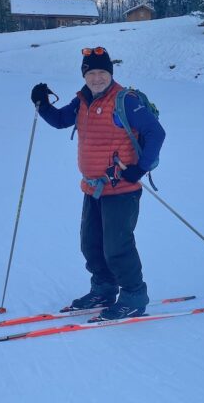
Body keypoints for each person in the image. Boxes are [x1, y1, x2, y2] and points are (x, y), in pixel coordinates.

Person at [30, 46, 165, 320]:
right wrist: (43, 103)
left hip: (122, 188)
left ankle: (134, 296)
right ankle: (103, 290)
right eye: (91, 73)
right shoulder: (82, 101)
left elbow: (156, 132)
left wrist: (138, 169)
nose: (97, 78)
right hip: (92, 188)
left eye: (103, 72)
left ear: (110, 73)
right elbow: (59, 121)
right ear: (84, 75)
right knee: (90, 244)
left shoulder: (125, 100)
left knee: (117, 246)